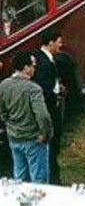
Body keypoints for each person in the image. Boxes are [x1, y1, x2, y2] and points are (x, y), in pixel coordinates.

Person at [0, 51, 52, 183]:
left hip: (14, 138)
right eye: (33, 66)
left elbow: (2, 111)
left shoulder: (3, 85)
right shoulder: (33, 89)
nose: (35, 68)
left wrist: (9, 126)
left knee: (19, 178)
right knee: (39, 180)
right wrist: (46, 133)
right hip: (33, 139)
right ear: (25, 67)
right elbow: (43, 115)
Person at [32, 30, 66, 184]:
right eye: (58, 42)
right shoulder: (45, 64)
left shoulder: (39, 56)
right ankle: (53, 178)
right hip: (50, 109)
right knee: (53, 146)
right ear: (50, 43)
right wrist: (56, 94)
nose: (61, 45)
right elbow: (45, 89)